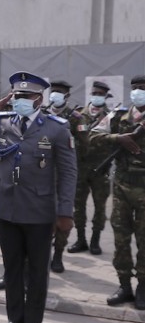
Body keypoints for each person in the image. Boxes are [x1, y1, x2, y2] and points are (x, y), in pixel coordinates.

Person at [0, 71, 76, 323]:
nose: (19, 100)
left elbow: (69, 173)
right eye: (16, 95)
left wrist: (65, 212)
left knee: (36, 270)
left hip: (39, 210)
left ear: (39, 98)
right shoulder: (0, 122)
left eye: (26, 96)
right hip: (7, 207)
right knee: (11, 267)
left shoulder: (56, 127)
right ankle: (15, 318)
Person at [90, 75, 145, 310]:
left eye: (142, 89)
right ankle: (124, 285)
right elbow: (92, 136)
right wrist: (117, 138)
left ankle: (143, 287)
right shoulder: (119, 115)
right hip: (122, 186)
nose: (137, 92)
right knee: (121, 238)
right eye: (135, 88)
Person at [67, 81, 113, 256]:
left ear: (105, 96)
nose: (97, 96)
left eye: (101, 94)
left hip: (100, 170)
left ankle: (95, 240)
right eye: (95, 93)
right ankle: (80, 239)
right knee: (78, 206)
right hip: (80, 168)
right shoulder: (78, 116)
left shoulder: (111, 117)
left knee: (100, 207)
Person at [43, 80, 83, 272]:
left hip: (65, 173)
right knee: (42, 219)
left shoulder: (75, 117)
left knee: (63, 216)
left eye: (59, 92)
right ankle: (43, 254)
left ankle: (58, 254)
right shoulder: (42, 114)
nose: (55, 95)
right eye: (53, 91)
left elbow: (84, 145)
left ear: (67, 96)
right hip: (44, 173)